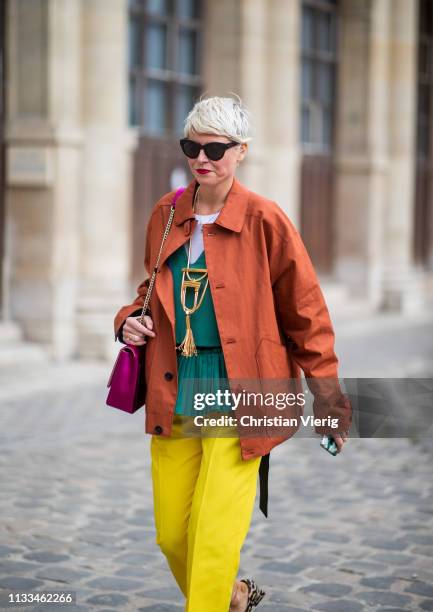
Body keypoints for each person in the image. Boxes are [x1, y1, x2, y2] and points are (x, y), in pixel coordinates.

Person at [113, 94, 352, 612]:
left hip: (247, 391)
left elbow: (307, 315)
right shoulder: (167, 212)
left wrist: (330, 402)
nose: (203, 158)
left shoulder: (265, 219)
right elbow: (147, 291)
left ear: (241, 151)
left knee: (214, 539)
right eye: (192, 146)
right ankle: (234, 597)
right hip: (176, 384)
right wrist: (127, 321)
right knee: (173, 537)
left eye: (216, 148)